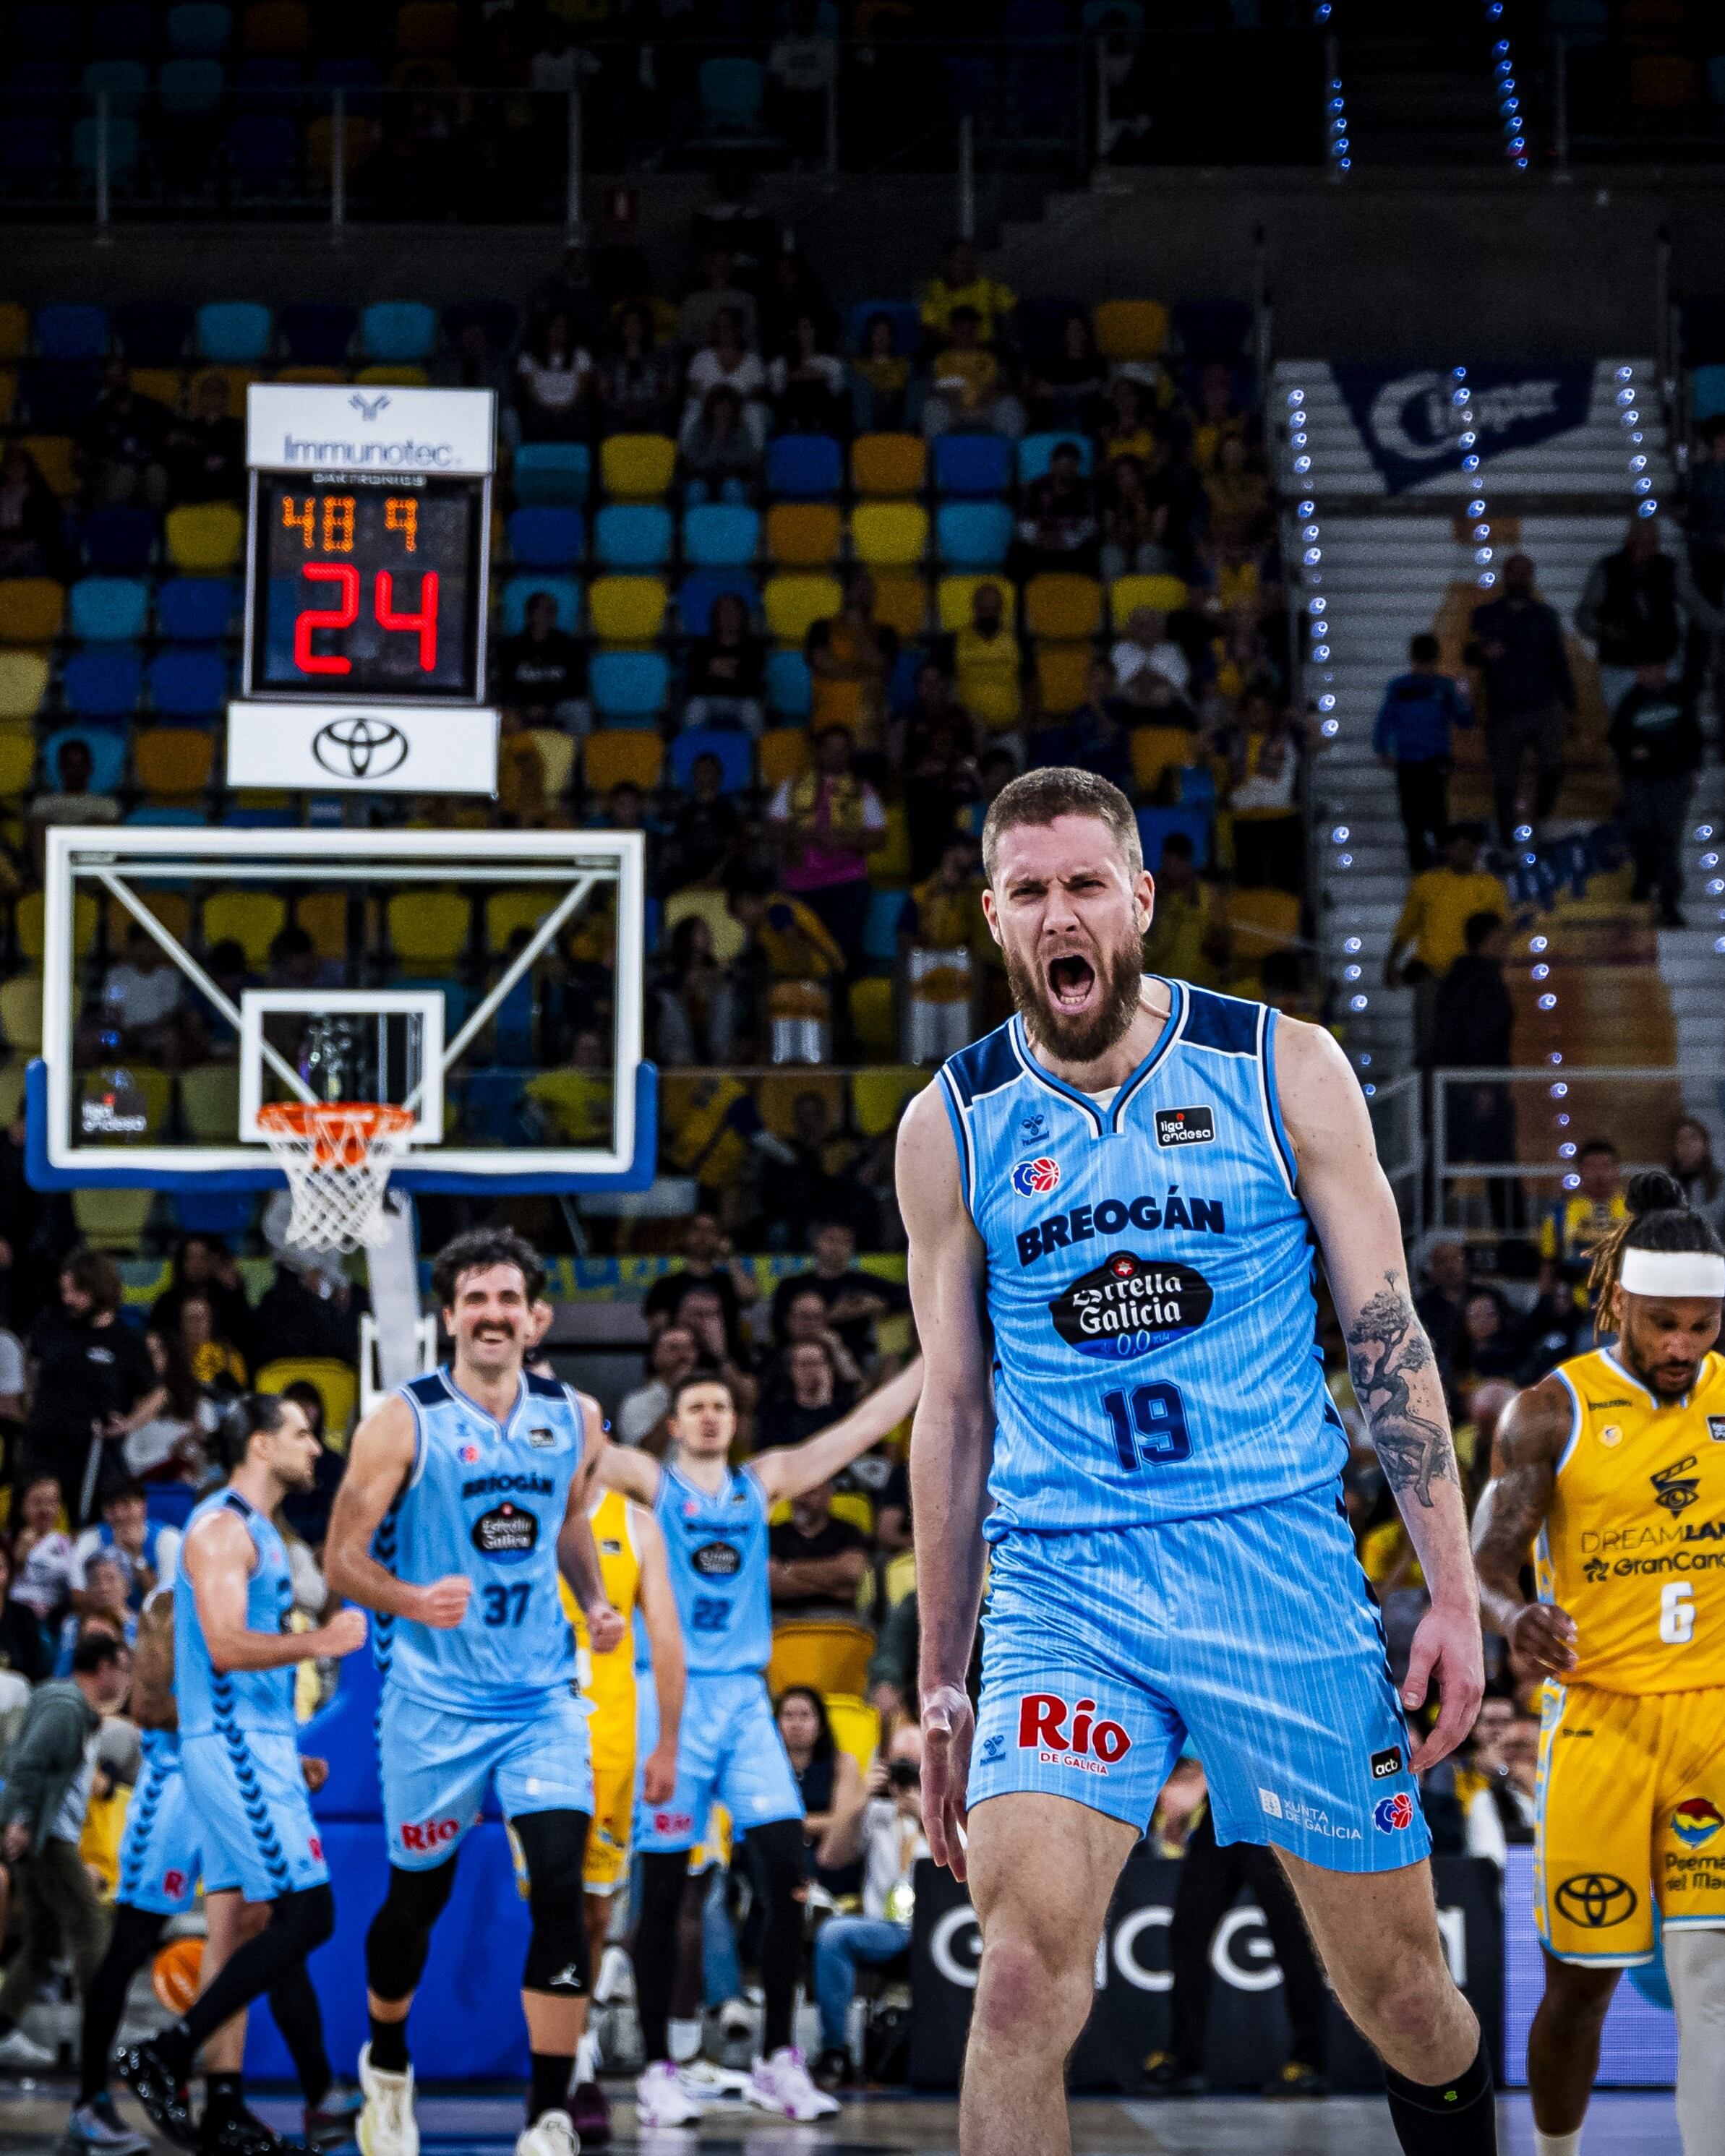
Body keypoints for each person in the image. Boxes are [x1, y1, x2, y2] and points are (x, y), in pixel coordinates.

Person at [898, 765, 1495, 2156]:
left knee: (1402, 1996)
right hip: (1065, 1590)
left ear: (1139, 898)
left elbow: (1388, 1336)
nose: (1063, 911)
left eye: (1085, 883)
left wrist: (1452, 1592)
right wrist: (938, 1673)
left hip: (1272, 1566)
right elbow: (954, 1409)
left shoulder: (1280, 1064)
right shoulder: (953, 1124)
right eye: (1031, 889)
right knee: (1025, 1980)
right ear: (994, 916)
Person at [324, 1229, 630, 2156]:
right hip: (431, 1707)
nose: (492, 1315)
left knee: (562, 1891)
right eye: (474, 1300)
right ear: (448, 1314)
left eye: (508, 1299)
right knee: (417, 1899)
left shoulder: (576, 1415)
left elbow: (572, 1522)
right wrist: (412, 1597)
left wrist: (596, 1600)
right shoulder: (400, 1419)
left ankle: (544, 2116)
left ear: (534, 1317)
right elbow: (338, 1560)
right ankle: (387, 2069)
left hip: (541, 1698)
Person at [596, 1358, 923, 2127]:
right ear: (674, 1423)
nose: (710, 1416)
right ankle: (654, 2068)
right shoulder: (654, 1482)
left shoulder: (761, 1480)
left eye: (721, 1405)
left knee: (784, 1874)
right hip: (670, 1694)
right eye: (696, 1406)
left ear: (734, 1421)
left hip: (745, 1699)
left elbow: (856, 1431)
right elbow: (579, 1445)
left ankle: (780, 2057)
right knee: (666, 1887)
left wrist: (932, 1357)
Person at [1473, 1171, 1725, 2156]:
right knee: (1579, 1982)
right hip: (1600, 1720)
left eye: (1702, 1326)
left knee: (1710, 1969)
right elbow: (1489, 1556)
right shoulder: (1548, 1410)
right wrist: (1512, 1612)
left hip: (1709, 1719)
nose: (1680, 1346)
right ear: (1618, 1300)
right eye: (1663, 1322)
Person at [117, 1395, 366, 2154]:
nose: (316, 1448)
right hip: (230, 1746)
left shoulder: (257, 1531)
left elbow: (234, 1665)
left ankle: (232, 2103)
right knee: (309, 1916)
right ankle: (166, 2053)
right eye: (300, 1434)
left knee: (252, 1924)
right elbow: (225, 1646)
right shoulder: (221, 1527)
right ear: (259, 1444)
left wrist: (289, 1747)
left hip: (255, 1743)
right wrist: (322, 1638)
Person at [72, 1586, 359, 2156]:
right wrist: (237, 1728)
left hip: (235, 1776)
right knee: (133, 1939)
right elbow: (152, 1708)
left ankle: (262, 2101)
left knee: (269, 1927)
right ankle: (90, 2102)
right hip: (179, 1776)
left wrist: (276, 1754)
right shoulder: (171, 1596)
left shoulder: (258, 1594)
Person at [561, 1441, 685, 2144]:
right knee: (553, 1905)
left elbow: (665, 1638)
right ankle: (552, 2067)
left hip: (611, 1739)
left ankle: (575, 2060)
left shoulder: (635, 1522)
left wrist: (666, 1741)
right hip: (533, 1733)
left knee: (594, 1913)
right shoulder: (519, 1513)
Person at [1139, 1756, 1330, 2100]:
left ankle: (1309, 2062)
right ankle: (1184, 2062)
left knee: (1294, 1939)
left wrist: (1198, 1779)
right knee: (1188, 1929)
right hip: (1224, 1809)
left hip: (1277, 1807)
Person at [0, 1630, 131, 2071]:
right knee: (91, 1928)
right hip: (47, 1836)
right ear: (105, 1667)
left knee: (43, 1940)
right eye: (124, 1668)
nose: (127, 1680)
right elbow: (27, 1764)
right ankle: (100, 2039)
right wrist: (19, 1820)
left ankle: (0, 2030)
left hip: (46, 1833)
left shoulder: (72, 1705)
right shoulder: (65, 1705)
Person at [810, 1722, 928, 2091]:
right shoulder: (876, 1814)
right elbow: (829, 1858)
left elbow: (976, 1873)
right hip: (887, 1928)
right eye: (900, 1763)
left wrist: (927, 1818)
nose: (907, 1773)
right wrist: (861, 1800)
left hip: (942, 1926)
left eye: (914, 1763)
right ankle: (835, 2051)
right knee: (833, 1934)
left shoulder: (958, 1805)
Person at [24, 1250, 164, 1525]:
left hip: (92, 1450)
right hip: (42, 1445)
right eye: (64, 1291)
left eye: (76, 1292)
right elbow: (31, 1359)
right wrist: (30, 1404)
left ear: (98, 1289)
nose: (68, 1300)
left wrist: (128, 1424)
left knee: (85, 1523)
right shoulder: (52, 1322)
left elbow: (157, 1394)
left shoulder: (127, 1342)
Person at [1465, 553, 1577, 843]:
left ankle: (1540, 818)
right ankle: (1507, 841)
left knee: (1553, 766)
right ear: (1505, 575)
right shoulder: (1486, 614)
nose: (1519, 577)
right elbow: (1466, 654)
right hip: (1503, 710)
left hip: (1541, 705)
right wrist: (1483, 654)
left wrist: (1570, 705)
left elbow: (1559, 662)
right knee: (1504, 782)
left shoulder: (1545, 616)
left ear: (1532, 576)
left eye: (1525, 572)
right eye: (1513, 572)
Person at [1382, 825, 1509, 1070]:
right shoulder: (1427, 884)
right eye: (1457, 847)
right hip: (1432, 973)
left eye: (1468, 848)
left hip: (1472, 979)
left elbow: (1499, 933)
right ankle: (1427, 1098)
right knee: (1429, 1041)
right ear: (1447, 850)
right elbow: (1407, 926)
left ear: (1476, 851)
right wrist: (1391, 962)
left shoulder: (1492, 887)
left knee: (1472, 1038)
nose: (1462, 853)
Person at [1609, 657, 1703, 927]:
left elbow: (1693, 736)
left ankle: (1669, 897)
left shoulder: (1680, 697)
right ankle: (1645, 878)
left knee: (1668, 838)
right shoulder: (1631, 700)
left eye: (1647, 668)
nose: (1642, 674)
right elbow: (1617, 737)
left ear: (1661, 669)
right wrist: (1631, 752)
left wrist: (1693, 770)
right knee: (1642, 833)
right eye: (1639, 669)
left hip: (1672, 778)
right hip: (1640, 779)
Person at [1374, 633, 1476, 872]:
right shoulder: (1402, 688)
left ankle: (1441, 867)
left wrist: (1466, 701)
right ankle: (1421, 869)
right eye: (1424, 662)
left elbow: (1464, 721)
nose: (1426, 668)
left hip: (1434, 760)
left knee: (1435, 816)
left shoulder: (1443, 687)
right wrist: (1382, 749)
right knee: (1413, 819)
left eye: (1428, 662)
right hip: (1410, 761)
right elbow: (1386, 721)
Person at [769, 1217, 905, 1365]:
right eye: (830, 1239)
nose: (836, 1247)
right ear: (816, 1241)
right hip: (804, 1357)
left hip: (855, 1356)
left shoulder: (863, 1282)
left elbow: (907, 1296)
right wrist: (831, 1316)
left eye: (845, 1241)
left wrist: (881, 1304)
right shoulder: (792, 1285)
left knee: (891, 1360)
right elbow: (779, 1327)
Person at [775, 1685, 863, 1896]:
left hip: (831, 1856)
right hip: (779, 1853)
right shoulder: (763, 1765)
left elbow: (842, 1821)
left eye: (805, 1716)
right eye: (788, 1716)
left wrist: (793, 1825)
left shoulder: (842, 1762)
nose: (796, 1724)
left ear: (821, 1726)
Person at [768, 1480, 868, 1620]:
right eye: (797, 1493)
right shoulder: (773, 1534)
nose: (801, 1499)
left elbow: (852, 1571)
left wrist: (788, 1568)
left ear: (828, 1497)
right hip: (781, 1621)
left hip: (838, 1620)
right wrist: (835, 1587)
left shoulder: (847, 1531)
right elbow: (769, 1582)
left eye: (810, 1493)